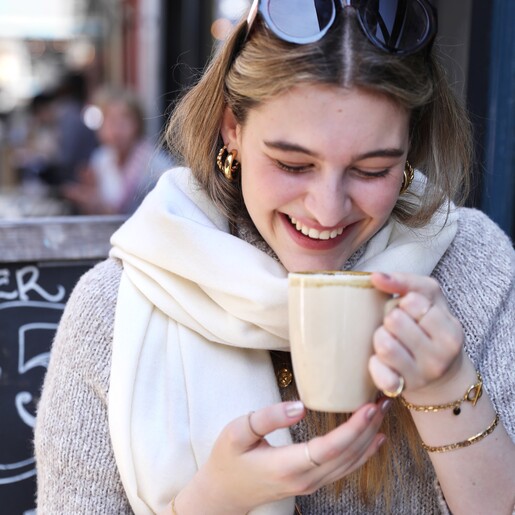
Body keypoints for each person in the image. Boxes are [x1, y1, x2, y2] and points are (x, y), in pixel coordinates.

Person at [35, 1, 515, 514]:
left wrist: (447, 387)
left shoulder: (472, 264)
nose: (327, 209)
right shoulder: (112, 310)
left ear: (410, 149)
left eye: (372, 169)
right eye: (293, 163)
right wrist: (215, 499)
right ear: (232, 130)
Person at [61, 88, 172, 215]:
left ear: (137, 124)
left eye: (124, 121)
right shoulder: (100, 158)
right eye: (109, 121)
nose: (116, 129)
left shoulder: (156, 164)